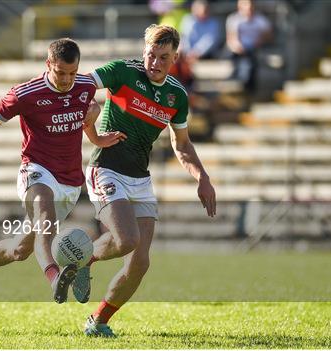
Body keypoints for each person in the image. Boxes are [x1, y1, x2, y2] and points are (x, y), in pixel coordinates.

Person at [0, 38, 126, 304]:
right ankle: (55, 279)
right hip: (36, 170)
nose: (67, 79)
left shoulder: (84, 86)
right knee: (44, 219)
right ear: (48, 64)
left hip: (69, 182)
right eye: (60, 73)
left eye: (72, 72)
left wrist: (96, 136)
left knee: (19, 249)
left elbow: (87, 115)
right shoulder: (26, 93)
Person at [78, 24, 217, 337]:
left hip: (140, 177)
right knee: (126, 239)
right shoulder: (123, 72)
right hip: (107, 167)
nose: (155, 63)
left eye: (163, 57)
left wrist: (202, 177)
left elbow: (182, 144)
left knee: (140, 262)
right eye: (151, 55)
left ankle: (97, 321)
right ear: (144, 52)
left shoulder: (176, 96)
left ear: (175, 58)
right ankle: (83, 260)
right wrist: (94, 132)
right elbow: (81, 86)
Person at [225, 0, 272, 92]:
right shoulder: (234, 19)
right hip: (238, 50)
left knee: (249, 62)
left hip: (254, 48)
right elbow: (231, 38)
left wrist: (260, 40)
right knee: (243, 62)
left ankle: (246, 87)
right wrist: (237, 46)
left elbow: (268, 36)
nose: (248, 9)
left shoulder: (261, 20)